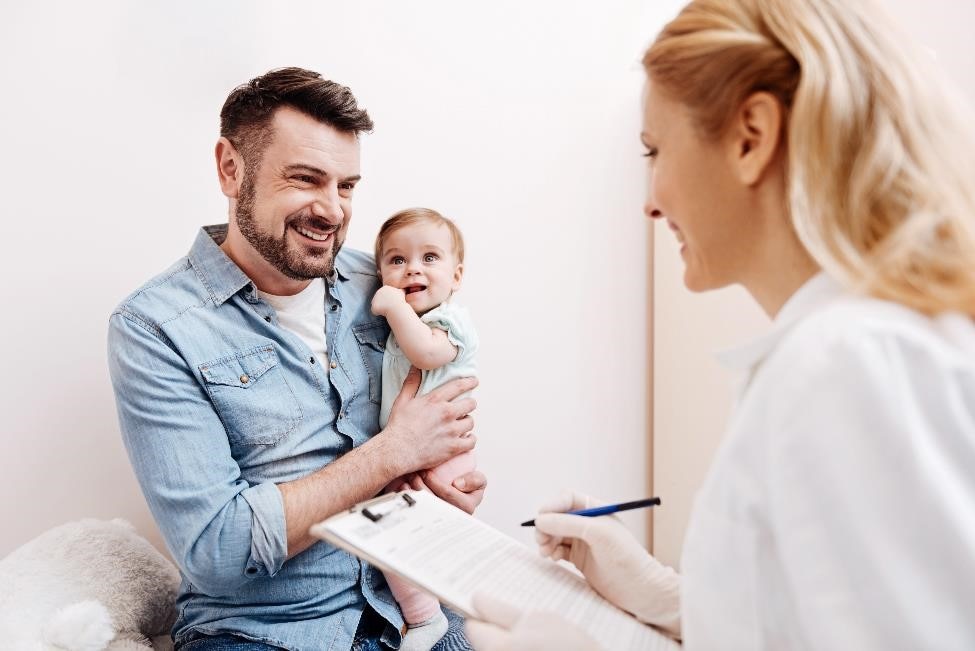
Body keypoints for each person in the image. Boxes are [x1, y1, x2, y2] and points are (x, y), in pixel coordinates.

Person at [466, 0, 975, 648]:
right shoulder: (871, 343)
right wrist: (674, 599)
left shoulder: (843, 360)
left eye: (654, 149)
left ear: (750, 138)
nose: (648, 201)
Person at [107, 67, 487, 651]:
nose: (332, 211)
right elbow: (219, 549)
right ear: (231, 169)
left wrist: (442, 489)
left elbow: (446, 388)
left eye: (347, 186)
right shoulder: (155, 327)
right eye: (307, 179)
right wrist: (393, 453)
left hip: (409, 607)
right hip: (262, 633)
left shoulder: (381, 281)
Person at [370, 208, 479, 651]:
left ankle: (424, 619)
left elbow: (429, 354)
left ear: (456, 275)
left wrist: (394, 305)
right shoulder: (403, 328)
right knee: (395, 535)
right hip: (412, 451)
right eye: (397, 260)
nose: (413, 267)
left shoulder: (449, 322)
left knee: (393, 534)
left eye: (429, 257)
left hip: (443, 453)